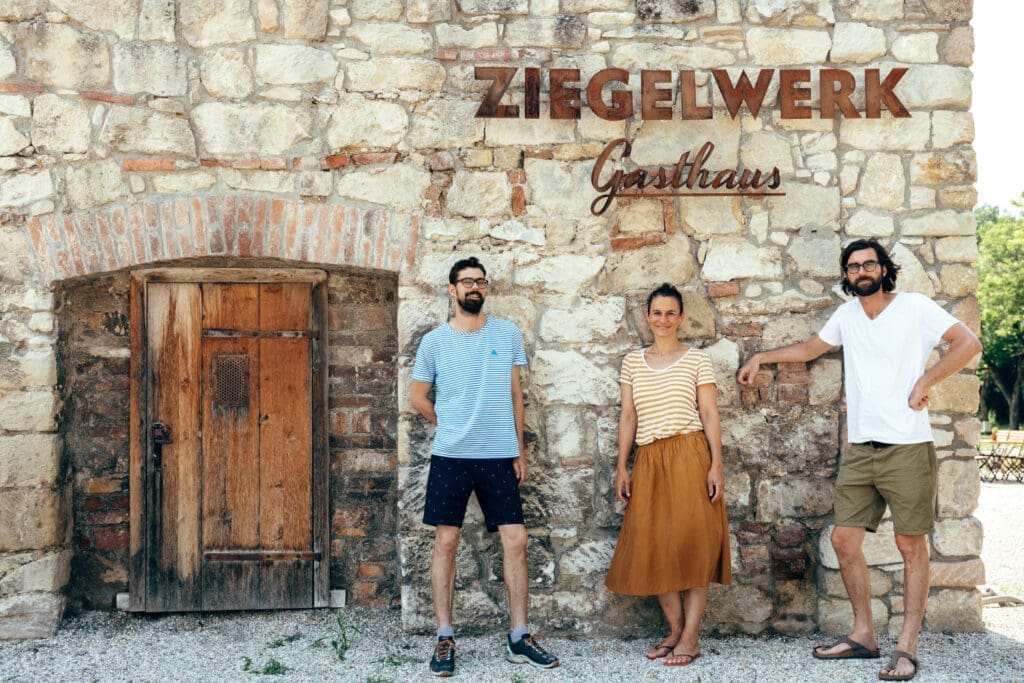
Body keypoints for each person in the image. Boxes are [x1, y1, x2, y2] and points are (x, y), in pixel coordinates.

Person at [737, 238, 982, 682]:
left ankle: (906, 647)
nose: (862, 271)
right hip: (862, 450)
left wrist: (927, 379)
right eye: (853, 267)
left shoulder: (914, 306)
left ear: (885, 269)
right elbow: (812, 348)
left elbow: (967, 343)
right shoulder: (848, 315)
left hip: (907, 447)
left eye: (870, 264)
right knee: (844, 541)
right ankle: (864, 635)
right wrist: (762, 357)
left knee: (911, 546)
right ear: (846, 276)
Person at [410, 256, 559, 677]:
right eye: (466, 282)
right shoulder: (435, 342)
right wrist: (449, 423)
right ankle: (444, 638)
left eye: (480, 282)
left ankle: (519, 636)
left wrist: (519, 450)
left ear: (485, 288)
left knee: (516, 540)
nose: (474, 288)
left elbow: (516, 394)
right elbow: (418, 397)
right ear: (452, 290)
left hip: (498, 454)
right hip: (451, 455)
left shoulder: (507, 334)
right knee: (446, 542)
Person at [605, 282, 731, 667]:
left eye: (670, 313)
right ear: (648, 316)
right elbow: (629, 416)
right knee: (656, 545)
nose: (663, 320)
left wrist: (716, 464)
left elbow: (709, 413)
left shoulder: (697, 360)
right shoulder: (632, 362)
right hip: (649, 459)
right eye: (656, 313)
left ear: (680, 317)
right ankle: (675, 630)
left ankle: (690, 638)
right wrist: (622, 465)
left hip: (690, 453)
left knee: (695, 544)